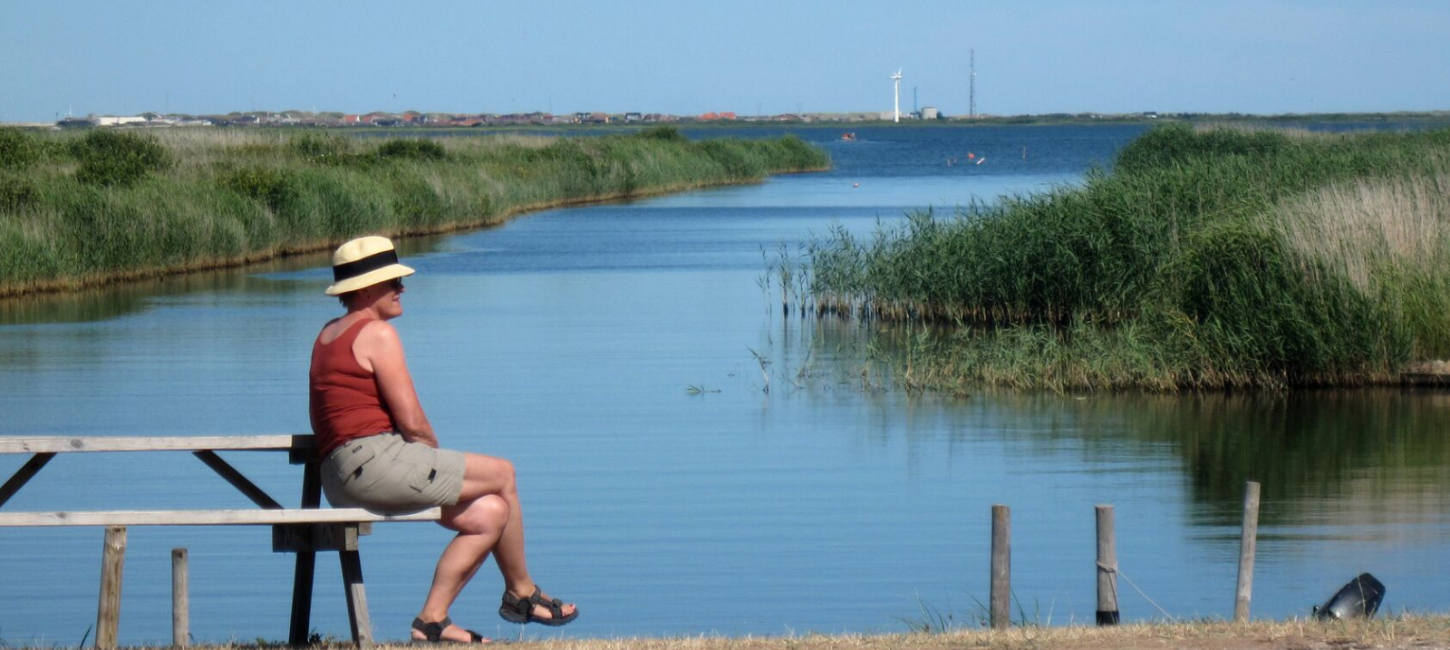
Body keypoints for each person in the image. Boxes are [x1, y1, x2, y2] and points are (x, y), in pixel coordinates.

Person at [310, 236, 577, 643]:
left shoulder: (328, 333)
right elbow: (413, 422)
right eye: (392, 282)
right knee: (504, 473)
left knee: (489, 513)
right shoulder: (377, 334)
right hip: (373, 462)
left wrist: (427, 467)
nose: (402, 288)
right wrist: (430, 459)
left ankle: (431, 621)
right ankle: (522, 592)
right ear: (365, 289)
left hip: (339, 475)